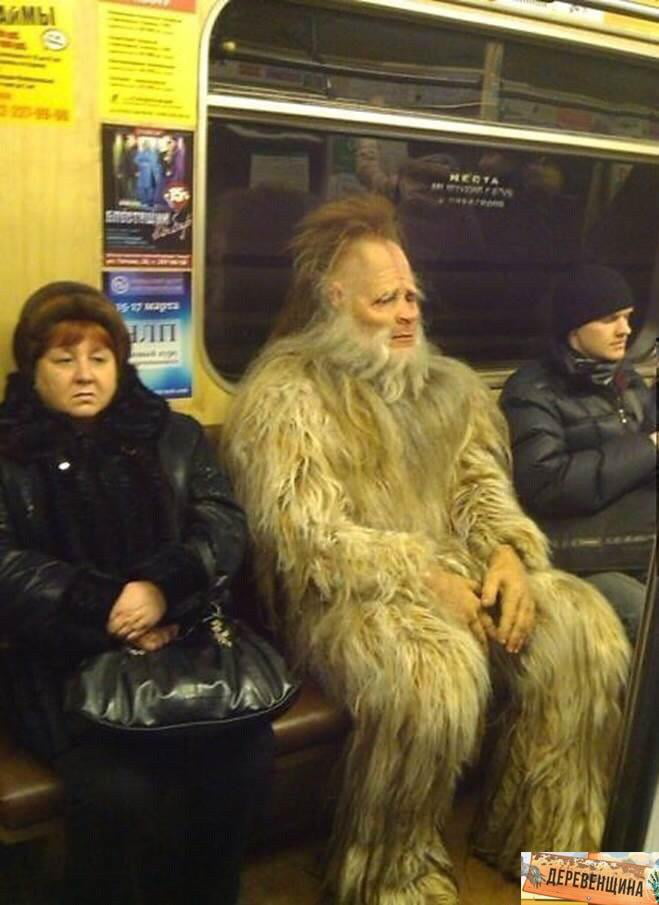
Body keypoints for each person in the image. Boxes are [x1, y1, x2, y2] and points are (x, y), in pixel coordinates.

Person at [222, 194, 631, 905]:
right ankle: (388, 872)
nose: (408, 312)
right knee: (431, 671)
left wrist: (507, 555)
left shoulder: (448, 386)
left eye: (411, 294)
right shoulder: (283, 394)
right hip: (348, 595)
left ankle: (548, 852)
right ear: (334, 301)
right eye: (385, 299)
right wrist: (421, 574)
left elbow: (479, 487)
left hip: (461, 572)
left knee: (583, 625)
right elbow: (303, 536)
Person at [0, 282, 273, 905]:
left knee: (243, 759)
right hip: (62, 663)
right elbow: (6, 564)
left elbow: (223, 526)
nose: (84, 375)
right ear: (32, 367)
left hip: (181, 641)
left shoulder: (170, 435)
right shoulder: (9, 450)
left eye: (99, 358)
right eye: (63, 359)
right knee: (120, 788)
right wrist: (105, 608)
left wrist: (160, 590)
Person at [500, 264, 656, 641]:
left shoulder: (625, 380)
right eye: (609, 319)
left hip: (634, 536)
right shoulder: (532, 392)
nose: (625, 331)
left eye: (628, 318)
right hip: (580, 554)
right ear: (574, 328)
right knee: (647, 615)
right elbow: (547, 484)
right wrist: (647, 448)